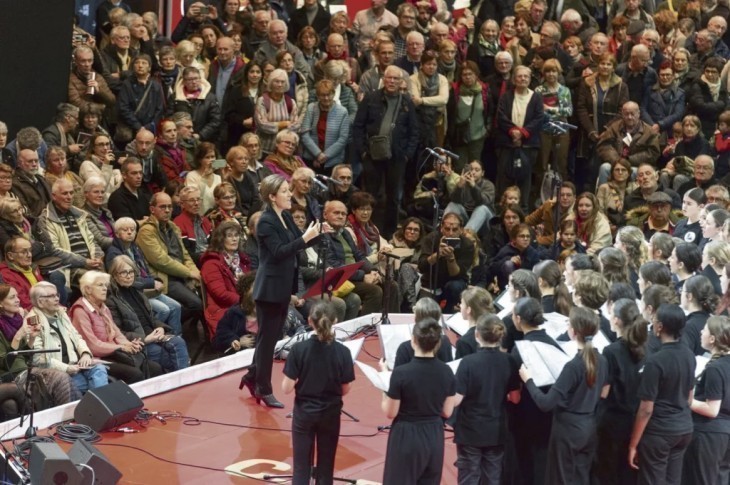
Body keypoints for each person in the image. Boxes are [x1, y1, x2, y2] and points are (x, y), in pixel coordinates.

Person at [240, 175, 327, 409]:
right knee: (268, 342)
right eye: (285, 191)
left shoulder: (285, 215)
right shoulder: (265, 222)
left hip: (281, 287)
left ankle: (251, 377)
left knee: (268, 339)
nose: (290, 194)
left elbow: (295, 245)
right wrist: (305, 238)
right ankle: (263, 388)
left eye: (289, 190)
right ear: (272, 196)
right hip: (269, 289)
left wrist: (315, 235)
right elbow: (279, 252)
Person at [519, 306, 608, 484]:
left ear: (573, 332)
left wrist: (528, 380)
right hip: (589, 426)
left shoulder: (574, 366)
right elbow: (603, 392)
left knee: (561, 479)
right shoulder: (603, 360)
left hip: (568, 430)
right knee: (582, 477)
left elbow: (545, 403)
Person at [281, 300, 354, 485]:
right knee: (326, 466)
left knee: (301, 467)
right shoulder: (343, 352)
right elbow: (345, 388)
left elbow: (286, 388)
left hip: (304, 415)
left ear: (309, 321)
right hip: (330, 414)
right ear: (335, 320)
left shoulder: (298, 350)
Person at [381, 317, 456, 484]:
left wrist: (384, 383)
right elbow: (447, 411)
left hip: (407, 435)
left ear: (413, 340)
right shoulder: (447, 372)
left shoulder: (401, 373)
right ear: (438, 343)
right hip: (434, 434)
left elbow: (390, 412)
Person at [629, 303, 696, 484]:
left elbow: (646, 410)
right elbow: (689, 398)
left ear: (659, 327)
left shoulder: (655, 362)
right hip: (684, 429)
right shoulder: (689, 355)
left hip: (660, 433)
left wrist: (633, 444)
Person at [452, 313, 520, 485]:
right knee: (493, 477)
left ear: (477, 334)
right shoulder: (510, 361)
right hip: (496, 430)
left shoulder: (468, 363)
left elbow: (456, 400)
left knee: (468, 477)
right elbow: (515, 398)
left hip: (470, 431)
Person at [353, 64, 418, 238]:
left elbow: (414, 132)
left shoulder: (407, 102)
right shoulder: (371, 98)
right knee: (370, 196)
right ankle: (366, 231)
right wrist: (363, 152)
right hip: (372, 156)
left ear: (401, 81)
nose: (392, 81)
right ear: (383, 79)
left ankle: (389, 233)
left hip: (397, 157)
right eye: (389, 77)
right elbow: (358, 126)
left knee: (394, 198)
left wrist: (407, 155)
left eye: (396, 78)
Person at [70, 271, 162, 382]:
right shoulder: (80, 311)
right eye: (100, 285)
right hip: (99, 358)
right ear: (88, 289)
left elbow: (117, 333)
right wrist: (120, 347)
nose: (105, 289)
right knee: (135, 374)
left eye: (105, 285)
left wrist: (129, 344)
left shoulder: (103, 307)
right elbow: (92, 345)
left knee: (155, 368)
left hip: (114, 353)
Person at [595, 298, 648, 485]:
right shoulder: (646, 347)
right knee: (628, 474)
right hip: (637, 421)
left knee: (609, 474)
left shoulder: (611, 351)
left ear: (616, 320)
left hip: (613, 423)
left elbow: (603, 392)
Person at [106, 256, 189, 373]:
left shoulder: (136, 291)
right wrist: (146, 339)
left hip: (154, 335)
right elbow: (117, 332)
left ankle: (183, 382)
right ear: (114, 275)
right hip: (139, 343)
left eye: (131, 272)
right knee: (169, 357)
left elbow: (150, 317)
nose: (129, 276)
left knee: (179, 342)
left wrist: (160, 327)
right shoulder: (111, 300)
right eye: (123, 272)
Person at [29, 282, 109, 394]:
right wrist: (66, 368)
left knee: (99, 369)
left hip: (76, 366)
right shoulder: (32, 323)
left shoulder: (61, 314)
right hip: (57, 373)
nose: (57, 298)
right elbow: (39, 359)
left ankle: (98, 406)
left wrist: (85, 353)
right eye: (52, 296)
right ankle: (99, 406)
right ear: (40, 302)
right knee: (93, 383)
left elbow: (77, 337)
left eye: (57, 295)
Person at [682, 315, 730, 484]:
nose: (701, 331)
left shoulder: (716, 368)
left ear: (712, 338)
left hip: (709, 435)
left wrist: (686, 400)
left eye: (705, 329)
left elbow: (712, 409)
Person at [495, 65, 545, 211]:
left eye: (526, 76)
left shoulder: (536, 97)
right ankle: (503, 210)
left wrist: (523, 133)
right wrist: (513, 131)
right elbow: (501, 115)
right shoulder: (506, 96)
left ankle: (523, 211)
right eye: (520, 76)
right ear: (514, 79)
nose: (523, 79)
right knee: (504, 178)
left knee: (525, 180)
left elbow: (539, 117)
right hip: (507, 143)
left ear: (530, 79)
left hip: (528, 145)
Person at [200, 221, 251, 337]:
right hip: (225, 311)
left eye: (236, 235)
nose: (234, 239)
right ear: (220, 239)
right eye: (229, 236)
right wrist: (248, 302)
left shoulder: (242, 260)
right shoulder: (211, 263)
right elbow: (221, 294)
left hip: (244, 306)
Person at [417, 213, 475, 313]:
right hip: (431, 283)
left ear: (461, 230)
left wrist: (451, 258)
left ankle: (449, 311)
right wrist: (437, 254)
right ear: (441, 228)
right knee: (423, 310)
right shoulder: (431, 238)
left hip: (455, 284)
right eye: (447, 229)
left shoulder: (467, 245)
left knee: (454, 286)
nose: (451, 233)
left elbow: (457, 274)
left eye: (455, 229)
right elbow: (422, 266)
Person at [299, 79, 351, 172]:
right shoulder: (311, 108)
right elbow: (305, 134)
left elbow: (343, 139)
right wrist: (317, 154)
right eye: (323, 95)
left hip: (333, 161)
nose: (326, 98)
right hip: (311, 158)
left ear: (333, 94)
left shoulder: (343, 111)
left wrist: (325, 156)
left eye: (329, 94)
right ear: (318, 96)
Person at [254, 68, 300, 156]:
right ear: (271, 83)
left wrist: (274, 125)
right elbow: (262, 125)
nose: (280, 85)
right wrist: (282, 124)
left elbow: (296, 126)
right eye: (277, 81)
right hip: (264, 150)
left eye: (282, 82)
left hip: (284, 152)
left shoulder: (291, 102)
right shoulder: (262, 101)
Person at [0, 237, 43, 311]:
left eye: (30, 251)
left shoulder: (33, 268)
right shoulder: (6, 274)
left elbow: (46, 292)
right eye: (24, 252)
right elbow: (24, 303)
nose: (29, 255)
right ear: (10, 256)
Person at [455, 287, 495, 358]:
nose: (460, 305)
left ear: (468, 310)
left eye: (462, 303)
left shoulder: (464, 342)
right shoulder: (496, 330)